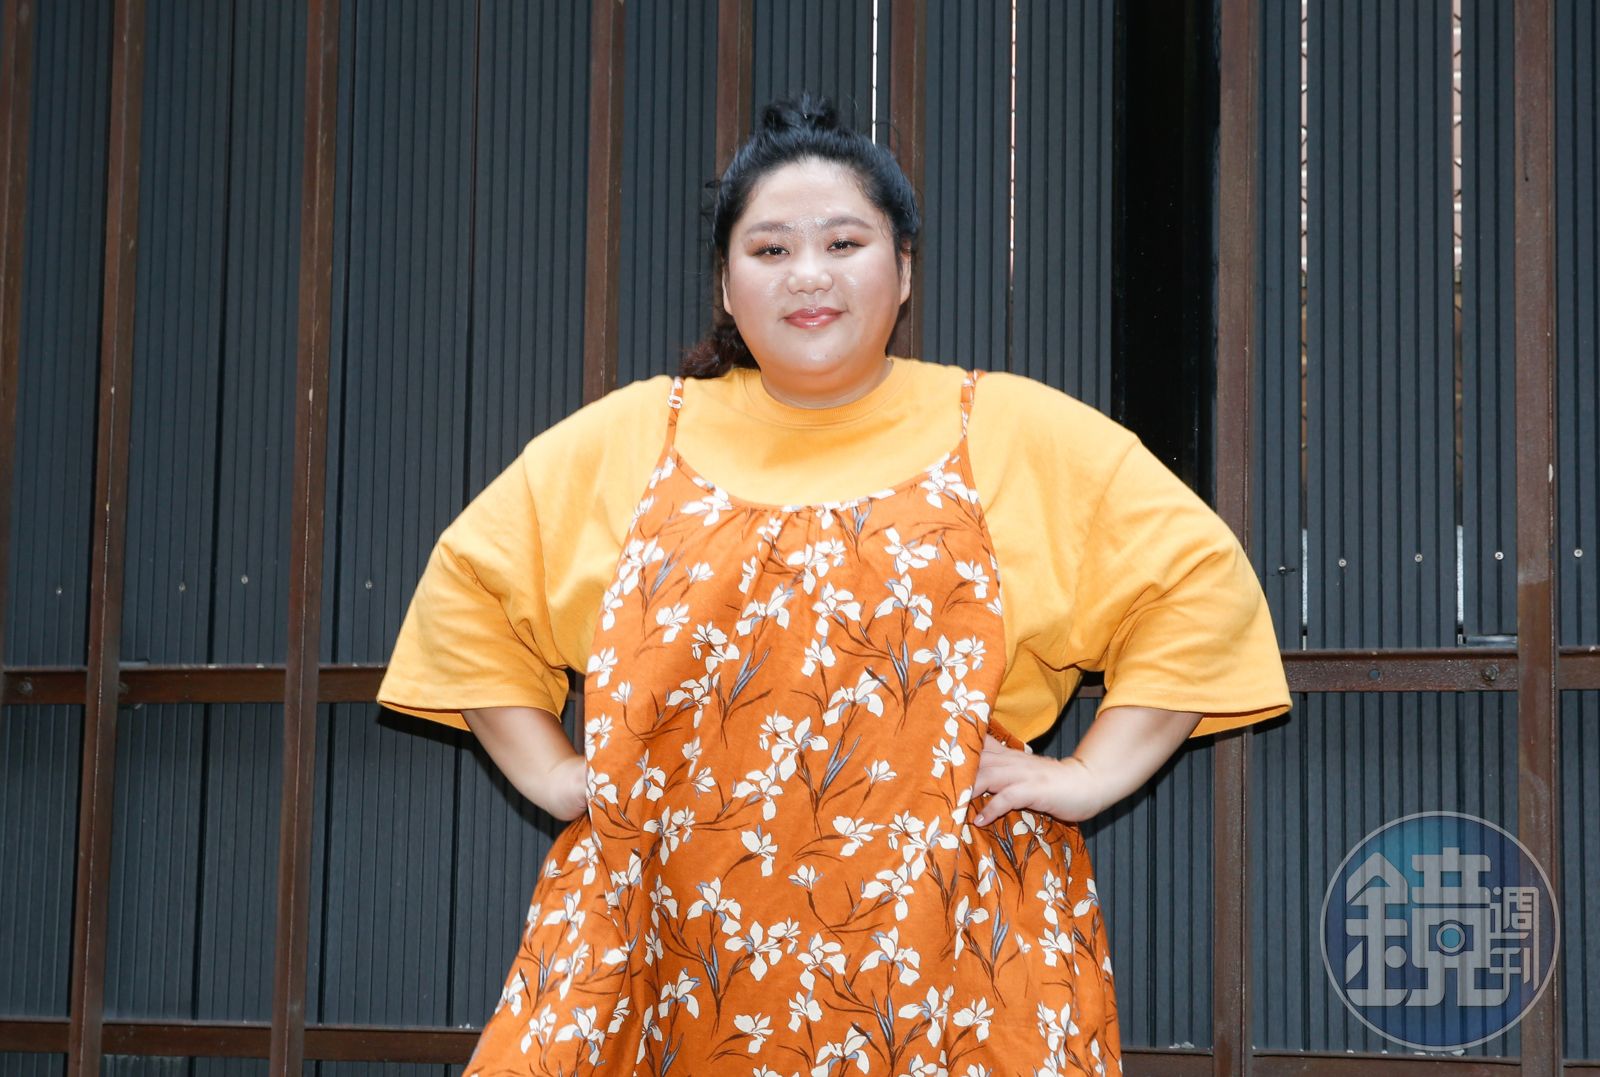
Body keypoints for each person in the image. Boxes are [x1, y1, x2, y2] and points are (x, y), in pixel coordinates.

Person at [379, 92, 1290, 1076]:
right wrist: (558, 776)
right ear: (726, 286)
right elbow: (471, 592)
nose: (807, 273)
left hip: (945, 955)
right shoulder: (634, 439)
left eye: (844, 242)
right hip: (666, 939)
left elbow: (1198, 584)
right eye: (769, 249)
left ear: (904, 271)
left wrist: (1087, 777)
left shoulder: (1007, 431)